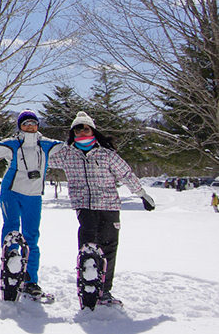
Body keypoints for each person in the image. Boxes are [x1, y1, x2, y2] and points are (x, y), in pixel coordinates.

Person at [49, 111, 155, 307]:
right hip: (84, 206)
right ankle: (87, 287)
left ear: (93, 131)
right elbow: (38, 159)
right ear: (73, 133)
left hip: (109, 206)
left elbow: (126, 174)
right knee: (88, 248)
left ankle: (104, 291)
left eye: (86, 128)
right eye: (78, 129)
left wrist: (142, 195)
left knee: (108, 249)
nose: (82, 132)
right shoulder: (65, 154)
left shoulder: (106, 154)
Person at [0, 109, 62, 300]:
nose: (30, 126)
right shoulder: (12, 144)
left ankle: (31, 280)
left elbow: (70, 147)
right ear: (20, 126)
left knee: (32, 236)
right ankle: (11, 272)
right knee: (12, 230)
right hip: (11, 192)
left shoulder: (47, 144)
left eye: (33, 123)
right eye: (25, 123)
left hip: (34, 195)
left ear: (38, 125)